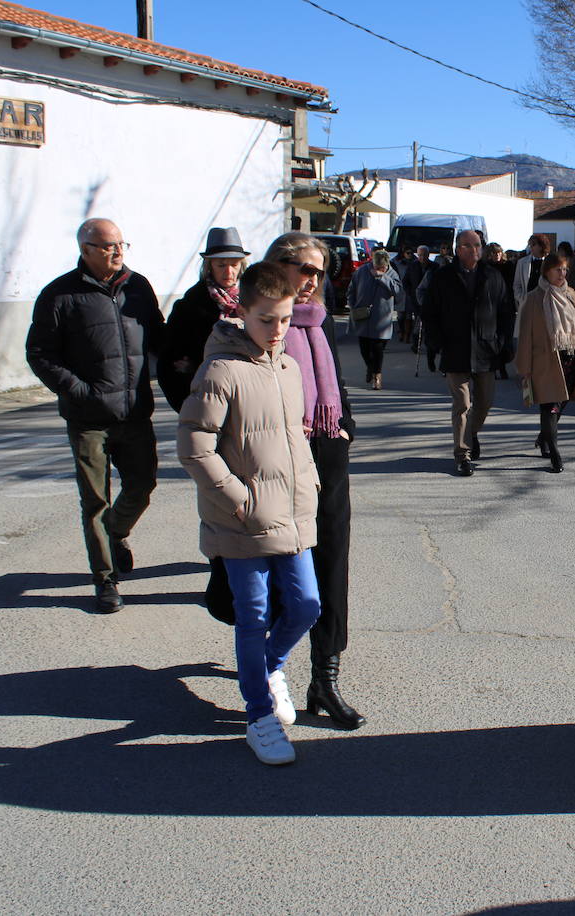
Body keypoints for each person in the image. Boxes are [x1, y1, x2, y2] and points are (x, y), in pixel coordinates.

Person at [201, 233, 366, 731]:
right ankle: (272, 674)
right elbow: (208, 400)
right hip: (265, 464)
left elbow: (334, 383)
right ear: (277, 269)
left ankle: (326, 677)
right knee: (273, 581)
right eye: (301, 268)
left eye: (319, 271)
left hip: (323, 458)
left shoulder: (316, 323)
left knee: (330, 567)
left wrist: (344, 430)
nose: (311, 279)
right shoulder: (246, 329)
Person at [177, 261, 322, 765]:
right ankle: (259, 715)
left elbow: (294, 438)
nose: (277, 329)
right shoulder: (221, 368)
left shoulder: (288, 366)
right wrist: (237, 496)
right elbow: (194, 446)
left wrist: (310, 485)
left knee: (306, 606)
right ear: (242, 311)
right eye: (266, 319)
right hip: (240, 520)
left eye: (285, 319)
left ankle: (268, 667)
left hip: (294, 512)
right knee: (253, 616)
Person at [26, 218, 163, 614]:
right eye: (107, 246)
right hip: (88, 419)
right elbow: (39, 354)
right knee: (95, 502)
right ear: (85, 249)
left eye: (121, 243)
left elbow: (158, 336)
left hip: (135, 414)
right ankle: (105, 581)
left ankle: (116, 534)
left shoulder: (137, 288)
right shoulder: (59, 295)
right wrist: (80, 392)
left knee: (142, 485)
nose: (117, 252)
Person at [422, 229, 515, 477]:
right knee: (462, 404)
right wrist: (437, 343)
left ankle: (471, 432)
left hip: (486, 349)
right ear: (457, 249)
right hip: (456, 350)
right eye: (467, 245)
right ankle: (462, 454)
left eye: (477, 245)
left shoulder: (493, 276)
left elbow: (506, 312)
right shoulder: (442, 277)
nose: (474, 250)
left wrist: (504, 342)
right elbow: (429, 312)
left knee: (484, 403)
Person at [515, 251, 575, 473]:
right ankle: (555, 453)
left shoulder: (571, 294)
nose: (562, 274)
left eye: (564, 269)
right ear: (546, 272)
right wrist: (525, 368)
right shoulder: (534, 298)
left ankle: (543, 437)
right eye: (557, 269)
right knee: (550, 406)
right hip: (547, 361)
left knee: (560, 403)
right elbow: (525, 335)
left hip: (572, 357)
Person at [158, 227, 249, 412]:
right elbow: (169, 365)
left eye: (234, 264)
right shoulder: (189, 307)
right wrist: (189, 405)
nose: (229, 272)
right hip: (208, 403)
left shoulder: (253, 299)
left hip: (248, 401)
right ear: (209, 266)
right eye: (221, 265)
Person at [350, 248, 404, 390]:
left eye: (383, 267)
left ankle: (377, 376)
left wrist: (383, 277)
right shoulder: (361, 271)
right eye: (377, 267)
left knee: (378, 349)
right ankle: (370, 367)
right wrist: (353, 305)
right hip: (363, 316)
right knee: (364, 349)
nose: (380, 269)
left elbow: (398, 292)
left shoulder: (391, 273)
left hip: (382, 319)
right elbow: (352, 290)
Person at [484, 243, 516, 379]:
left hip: (506, 306)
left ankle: (502, 366)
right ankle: (496, 367)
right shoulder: (486, 267)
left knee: (505, 339)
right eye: (493, 253)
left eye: (498, 253)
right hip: (490, 307)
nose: (496, 256)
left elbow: (513, 285)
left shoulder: (508, 266)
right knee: (492, 339)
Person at [512, 234, 550, 313]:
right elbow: (517, 284)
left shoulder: (551, 262)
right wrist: (522, 299)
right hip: (527, 305)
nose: (530, 247)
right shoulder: (522, 263)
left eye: (533, 245)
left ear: (541, 246)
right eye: (530, 245)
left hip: (546, 306)